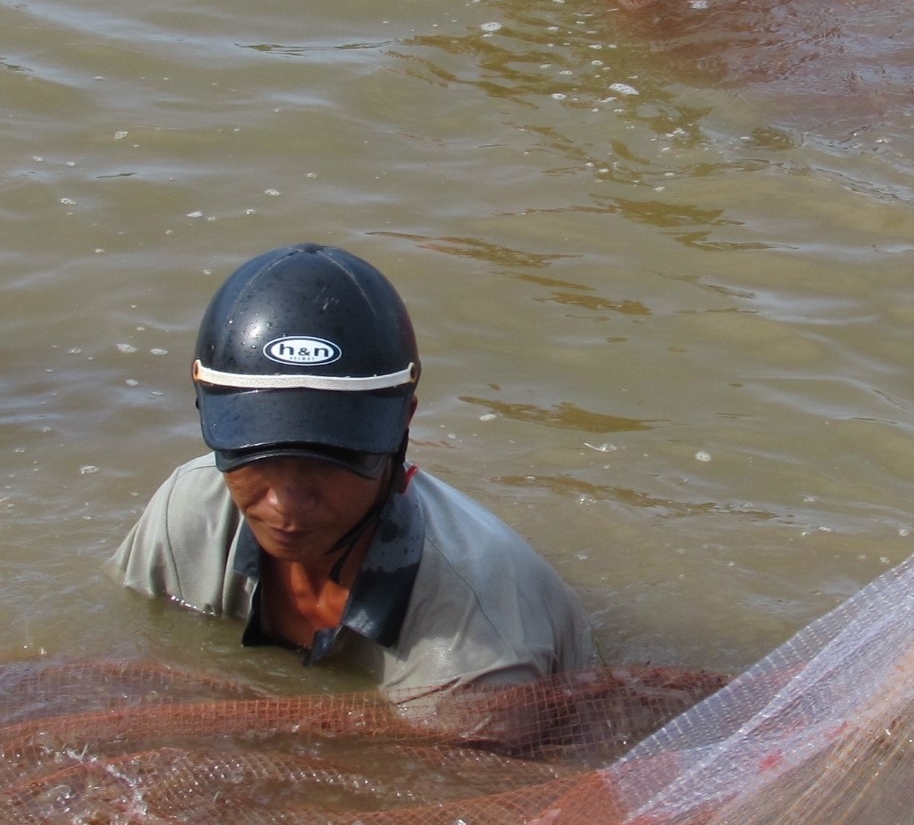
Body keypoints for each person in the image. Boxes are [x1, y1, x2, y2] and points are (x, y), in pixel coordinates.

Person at [114, 244, 593, 701]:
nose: (286, 502)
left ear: (403, 424)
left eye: (331, 458)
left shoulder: (479, 645)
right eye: (256, 453)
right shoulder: (186, 512)